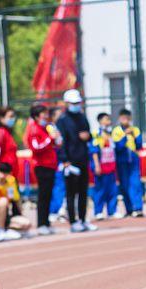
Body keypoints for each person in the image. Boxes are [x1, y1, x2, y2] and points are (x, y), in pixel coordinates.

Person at [55, 89, 97, 232]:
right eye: (73, 103)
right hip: (70, 162)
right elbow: (60, 142)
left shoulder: (82, 117)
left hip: (83, 158)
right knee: (71, 193)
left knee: (83, 192)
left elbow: (88, 134)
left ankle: (83, 219)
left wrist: (88, 136)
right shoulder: (62, 121)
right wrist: (65, 160)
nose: (76, 105)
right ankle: (73, 221)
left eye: (78, 102)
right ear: (67, 103)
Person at [24, 104, 59, 235]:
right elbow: (36, 147)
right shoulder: (34, 129)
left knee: (48, 195)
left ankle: (46, 222)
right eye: (43, 114)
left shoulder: (44, 128)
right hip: (41, 166)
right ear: (37, 116)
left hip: (50, 165)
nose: (46, 116)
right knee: (43, 196)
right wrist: (51, 139)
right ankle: (41, 224)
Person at [111, 109, 144, 217]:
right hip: (122, 160)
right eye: (123, 118)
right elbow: (118, 147)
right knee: (124, 185)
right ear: (120, 119)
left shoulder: (135, 130)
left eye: (127, 118)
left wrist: (134, 135)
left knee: (135, 183)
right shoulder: (116, 131)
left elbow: (139, 145)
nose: (125, 121)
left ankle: (138, 208)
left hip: (133, 159)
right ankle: (129, 209)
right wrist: (125, 136)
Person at [89, 113, 119, 220]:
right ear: (101, 121)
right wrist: (97, 165)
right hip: (101, 166)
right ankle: (98, 211)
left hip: (111, 164)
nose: (109, 121)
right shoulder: (96, 134)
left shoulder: (111, 133)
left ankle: (112, 211)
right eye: (106, 119)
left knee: (112, 189)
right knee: (100, 190)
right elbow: (94, 151)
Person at [0, 107, 19, 180]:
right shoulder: (1, 133)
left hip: (10, 175)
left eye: (13, 116)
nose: (13, 119)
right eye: (10, 116)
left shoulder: (7, 133)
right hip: (3, 176)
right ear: (1, 118)